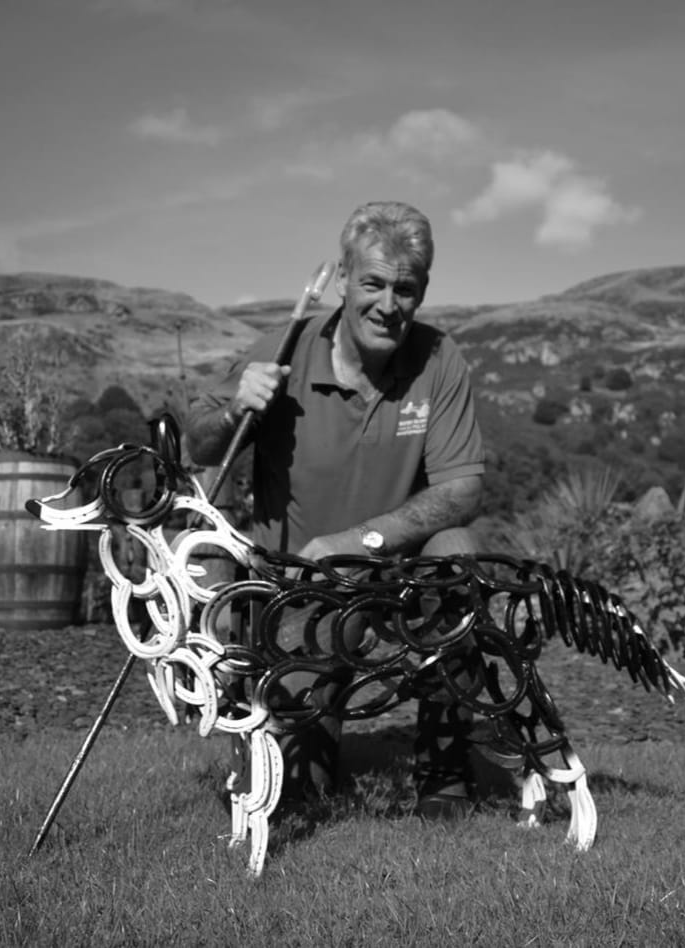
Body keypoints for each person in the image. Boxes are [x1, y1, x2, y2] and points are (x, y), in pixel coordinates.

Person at [186, 200, 485, 817]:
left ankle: (445, 773)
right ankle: (301, 736)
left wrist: (362, 541)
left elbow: (462, 490)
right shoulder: (283, 349)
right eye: (372, 283)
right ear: (343, 280)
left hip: (392, 576)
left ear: (422, 290)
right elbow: (199, 443)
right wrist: (233, 409)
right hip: (297, 588)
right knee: (298, 794)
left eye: (406, 288)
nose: (388, 304)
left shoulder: (439, 358)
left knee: (457, 553)